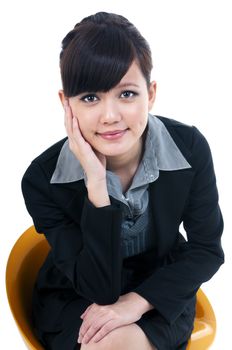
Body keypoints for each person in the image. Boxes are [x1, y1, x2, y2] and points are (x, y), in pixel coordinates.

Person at [21, 11, 224, 350]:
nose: (110, 116)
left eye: (127, 94)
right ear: (65, 104)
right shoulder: (42, 180)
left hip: (159, 288)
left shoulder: (189, 148)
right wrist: (97, 188)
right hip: (77, 294)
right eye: (90, 98)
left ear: (151, 93)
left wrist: (138, 301)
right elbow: (97, 289)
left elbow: (206, 250)